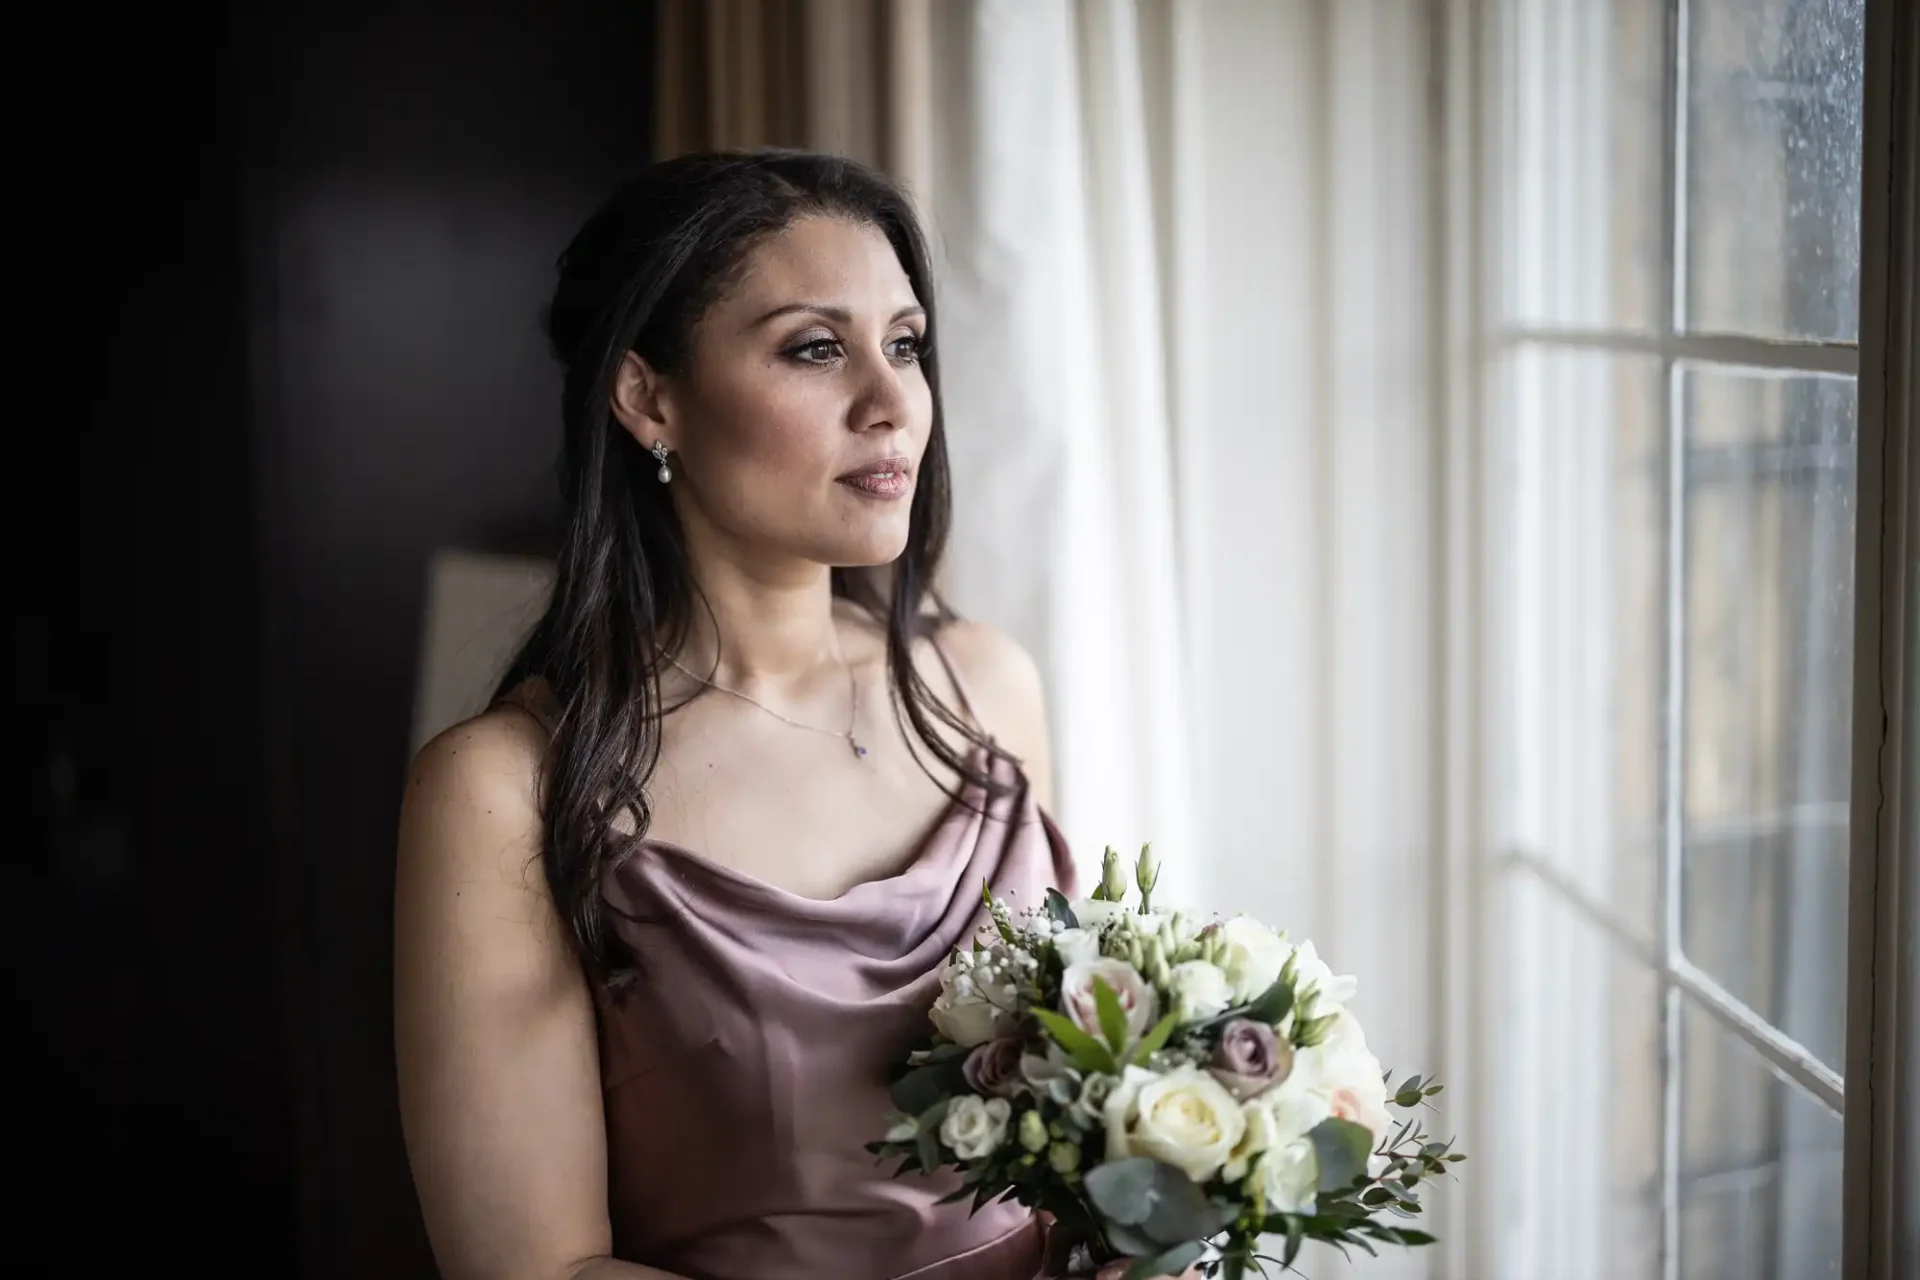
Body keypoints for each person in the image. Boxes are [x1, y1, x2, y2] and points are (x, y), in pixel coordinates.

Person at [394, 151, 1081, 1280]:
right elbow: (535, 1268)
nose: (891, 399)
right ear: (647, 396)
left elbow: (1069, 1113)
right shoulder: (503, 788)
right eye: (817, 348)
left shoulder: (987, 690)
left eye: (904, 344)